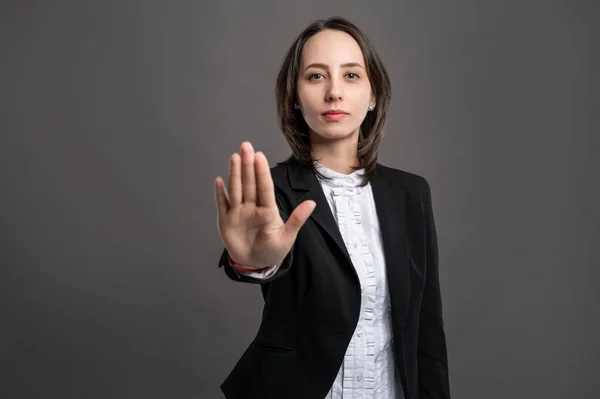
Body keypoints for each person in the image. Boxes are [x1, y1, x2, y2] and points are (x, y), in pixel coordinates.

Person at [213, 16, 450, 399]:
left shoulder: (411, 195)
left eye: (352, 76)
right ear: (294, 95)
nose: (334, 92)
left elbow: (427, 332)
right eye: (316, 76)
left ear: (374, 95)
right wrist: (254, 263)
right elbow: (257, 258)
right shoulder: (270, 190)